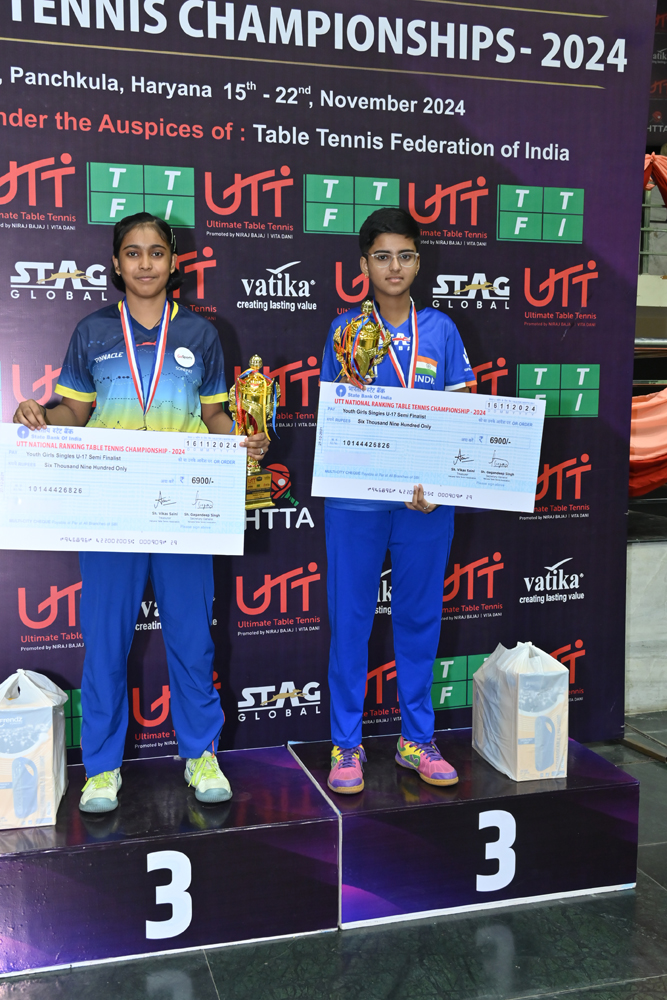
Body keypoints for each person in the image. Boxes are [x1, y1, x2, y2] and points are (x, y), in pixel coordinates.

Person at [13, 212, 269, 813]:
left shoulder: (202, 333)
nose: (146, 263)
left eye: (157, 251)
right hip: (112, 505)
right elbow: (75, 411)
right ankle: (102, 768)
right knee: (105, 641)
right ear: (117, 261)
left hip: (185, 504)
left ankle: (200, 754)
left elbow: (214, 414)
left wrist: (243, 441)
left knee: (192, 639)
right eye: (133, 252)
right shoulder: (94, 330)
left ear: (174, 261)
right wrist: (42, 415)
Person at [320, 207, 475, 794]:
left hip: (425, 502)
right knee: (351, 622)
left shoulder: (441, 330)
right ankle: (346, 744)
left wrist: (444, 482)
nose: (394, 266)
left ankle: (417, 740)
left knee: (418, 619)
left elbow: (463, 414)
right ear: (363, 265)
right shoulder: (345, 330)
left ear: (418, 261)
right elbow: (336, 415)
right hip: (357, 500)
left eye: (404, 255)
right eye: (382, 256)